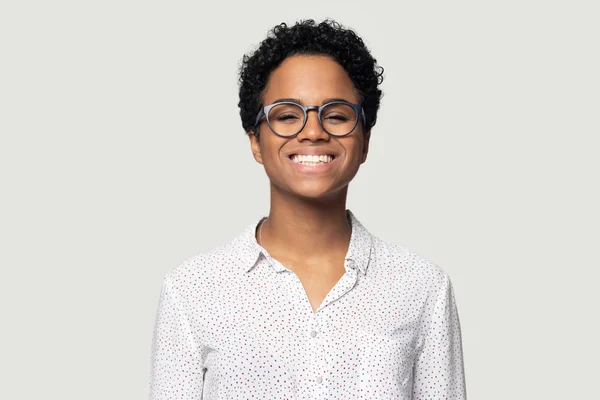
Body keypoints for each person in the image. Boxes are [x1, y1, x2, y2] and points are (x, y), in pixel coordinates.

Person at [149, 19, 466, 400]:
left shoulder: (422, 287)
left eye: (336, 115)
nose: (313, 131)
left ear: (364, 141)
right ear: (255, 141)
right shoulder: (192, 290)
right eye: (286, 115)